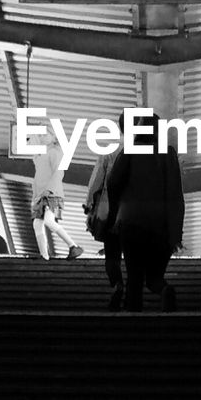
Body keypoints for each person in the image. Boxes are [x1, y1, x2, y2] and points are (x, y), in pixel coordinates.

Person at [107, 110, 184, 313]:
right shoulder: (168, 154)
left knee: (134, 277)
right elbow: (176, 194)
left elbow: (113, 182)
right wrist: (176, 233)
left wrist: (115, 214)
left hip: (132, 223)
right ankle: (164, 289)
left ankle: (133, 328)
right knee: (154, 277)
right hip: (160, 225)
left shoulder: (130, 151)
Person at [84, 113, 125, 310]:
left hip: (111, 213)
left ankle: (117, 284)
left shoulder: (110, 150)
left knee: (112, 254)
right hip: (136, 213)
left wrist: (89, 204)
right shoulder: (147, 152)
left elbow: (96, 181)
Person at [29, 120, 84, 260]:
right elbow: (38, 177)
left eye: (45, 134)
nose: (42, 137)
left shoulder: (55, 152)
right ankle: (44, 256)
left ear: (54, 136)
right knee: (37, 223)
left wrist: (50, 190)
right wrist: (35, 195)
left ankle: (73, 246)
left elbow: (59, 172)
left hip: (52, 194)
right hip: (41, 195)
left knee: (48, 220)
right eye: (39, 135)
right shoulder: (39, 156)